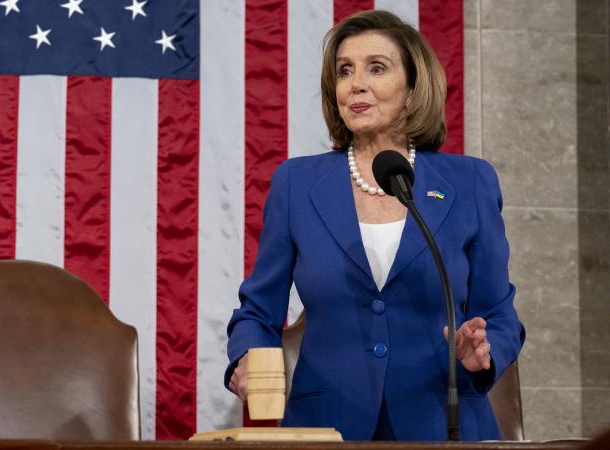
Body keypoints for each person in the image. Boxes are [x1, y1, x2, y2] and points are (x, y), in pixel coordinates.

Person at [224, 10, 525, 441]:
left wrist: (483, 350)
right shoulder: (297, 183)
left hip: (442, 423)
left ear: (412, 88)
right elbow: (257, 311)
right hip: (326, 427)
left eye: (376, 68)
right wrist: (247, 357)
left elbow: (498, 314)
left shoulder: (470, 182)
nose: (355, 83)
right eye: (344, 70)